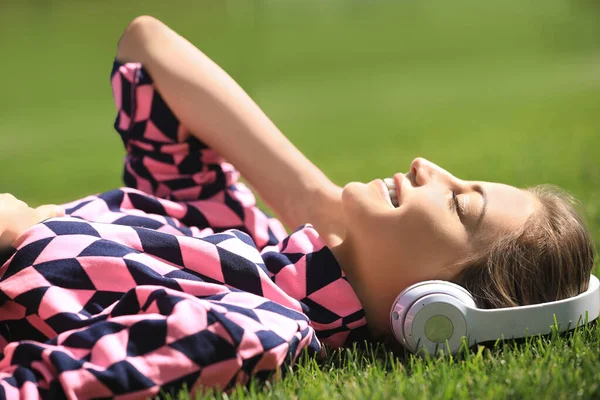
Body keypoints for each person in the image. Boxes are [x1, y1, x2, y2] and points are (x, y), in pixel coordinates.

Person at [0, 15, 594, 398]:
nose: (427, 168)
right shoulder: (241, 239)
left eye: (461, 206)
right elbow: (147, 53)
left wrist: (23, 232)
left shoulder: (250, 330)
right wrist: (309, 196)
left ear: (441, 312)